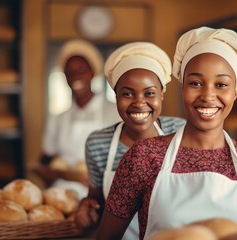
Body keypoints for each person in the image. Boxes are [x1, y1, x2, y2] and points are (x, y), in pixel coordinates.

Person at [96, 27, 237, 240]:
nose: (208, 95)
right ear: (182, 88)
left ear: (235, 92)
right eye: (196, 83)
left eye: (221, 84)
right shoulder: (144, 156)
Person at [74, 42, 186, 239]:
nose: (139, 103)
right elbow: (96, 197)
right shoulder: (98, 143)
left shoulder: (179, 131)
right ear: (116, 96)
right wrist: (87, 206)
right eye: (127, 94)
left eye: (149, 93)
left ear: (162, 94)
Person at [35, 39, 121, 197]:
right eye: (69, 72)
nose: (75, 76)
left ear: (93, 72)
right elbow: (46, 158)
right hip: (62, 191)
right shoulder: (58, 117)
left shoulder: (115, 111)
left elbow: (128, 157)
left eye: (81, 70)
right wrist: (45, 172)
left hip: (104, 191)